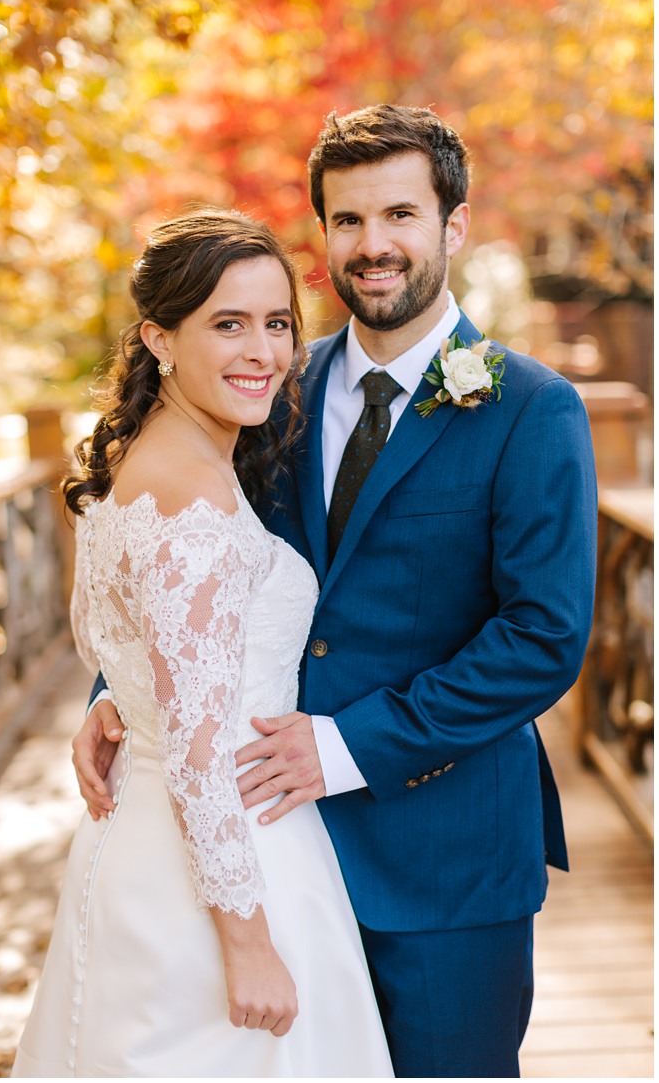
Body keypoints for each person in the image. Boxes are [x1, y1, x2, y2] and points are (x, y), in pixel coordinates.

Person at [73, 106, 598, 1077]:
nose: (374, 245)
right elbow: (192, 566)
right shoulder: (271, 386)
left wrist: (345, 744)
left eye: (400, 214)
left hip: (444, 861)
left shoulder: (533, 409)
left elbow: (542, 637)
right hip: (265, 854)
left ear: (455, 224)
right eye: (347, 221)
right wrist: (121, 695)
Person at [11, 210, 394, 1077]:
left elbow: (157, 663)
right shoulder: (195, 501)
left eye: (277, 323)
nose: (262, 350)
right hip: (229, 864)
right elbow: (197, 749)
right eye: (228, 323)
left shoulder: (152, 463)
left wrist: (117, 700)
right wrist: (250, 943)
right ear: (160, 339)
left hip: (138, 845)